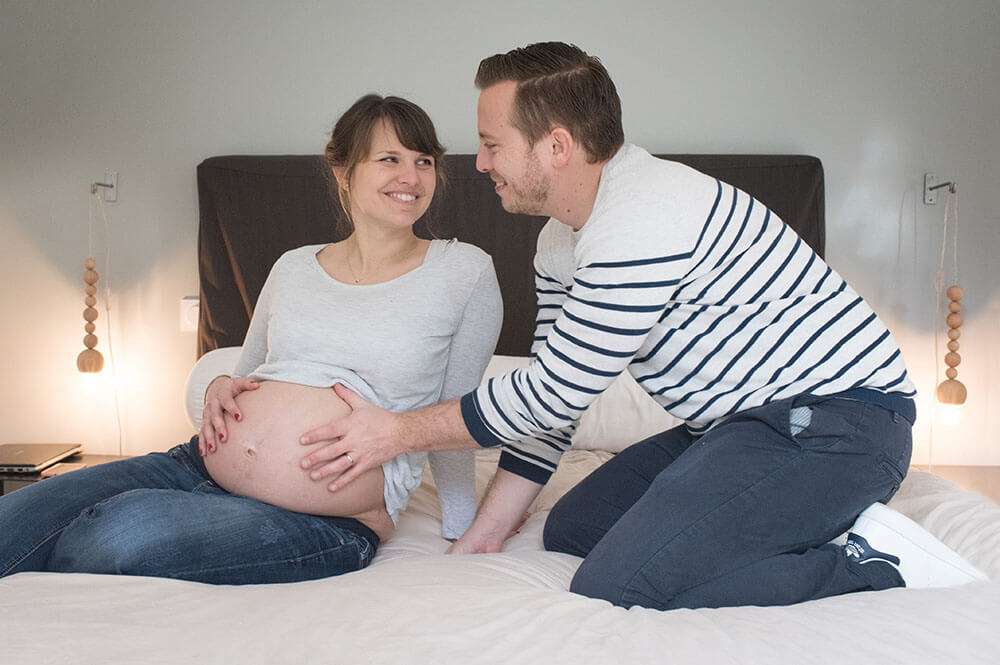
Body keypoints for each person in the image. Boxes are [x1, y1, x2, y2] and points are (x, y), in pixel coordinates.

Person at [298, 43, 987, 610]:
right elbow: (551, 407)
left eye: (490, 144)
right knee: (573, 527)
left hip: (841, 425)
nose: (477, 165)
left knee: (618, 581)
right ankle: (782, 516)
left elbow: (552, 392)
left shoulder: (643, 218)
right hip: (740, 425)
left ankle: (870, 560)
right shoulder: (559, 242)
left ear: (556, 146)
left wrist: (394, 429)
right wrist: (484, 533)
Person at [0, 94, 502, 584]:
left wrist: (463, 526)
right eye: (390, 158)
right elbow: (248, 376)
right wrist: (219, 384)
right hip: (194, 463)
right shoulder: (294, 266)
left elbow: (457, 415)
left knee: (114, 533)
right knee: (16, 518)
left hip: (325, 519)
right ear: (343, 172)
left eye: (425, 161)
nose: (411, 177)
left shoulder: (463, 271)